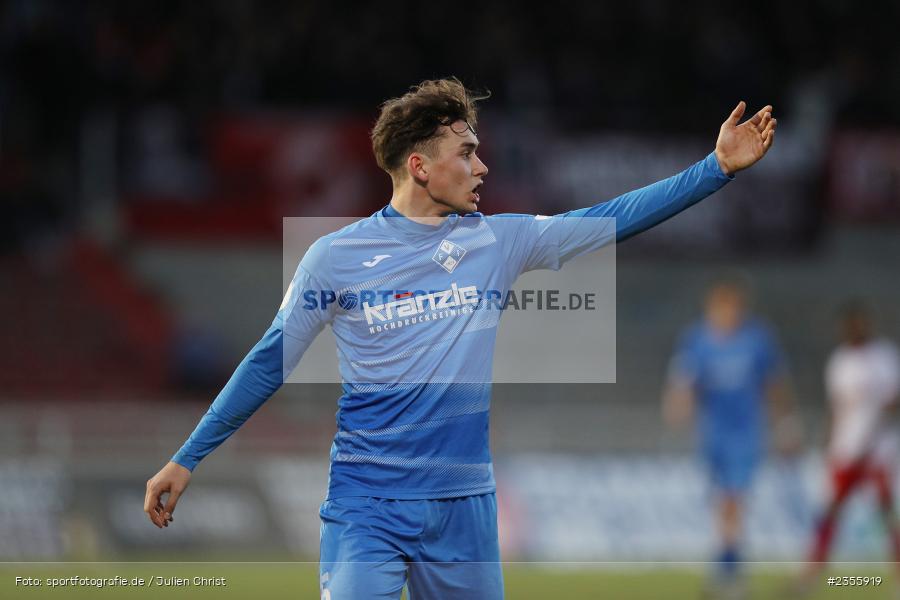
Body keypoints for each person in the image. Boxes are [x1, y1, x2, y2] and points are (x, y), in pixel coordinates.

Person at [144, 77, 777, 599]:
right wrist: (188, 455)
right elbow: (268, 361)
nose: (483, 166)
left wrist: (714, 169)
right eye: (467, 152)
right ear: (419, 167)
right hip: (370, 504)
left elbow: (609, 219)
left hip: (464, 509)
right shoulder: (334, 258)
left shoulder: (500, 241)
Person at [663, 277, 793, 596]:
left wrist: (786, 423)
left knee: (733, 499)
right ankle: (727, 567)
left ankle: (728, 573)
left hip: (745, 433)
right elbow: (683, 380)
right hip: (713, 433)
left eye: (731, 308)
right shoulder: (697, 340)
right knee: (723, 503)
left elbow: (774, 383)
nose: (726, 315)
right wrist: (678, 406)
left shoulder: (756, 339)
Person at [805, 301, 900, 574]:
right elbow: (836, 408)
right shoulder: (840, 361)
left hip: (878, 450)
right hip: (846, 448)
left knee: (885, 509)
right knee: (831, 508)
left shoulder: (884, 356)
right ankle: (813, 571)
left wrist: (870, 439)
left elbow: (891, 402)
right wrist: (830, 442)